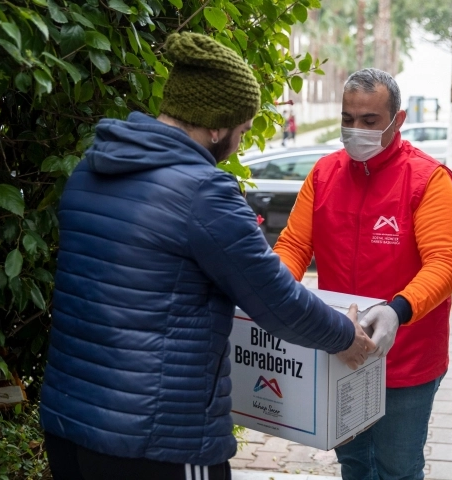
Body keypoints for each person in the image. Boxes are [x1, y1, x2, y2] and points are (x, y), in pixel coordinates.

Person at [39, 33, 375, 480]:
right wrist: (345, 335)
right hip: (159, 439)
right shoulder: (203, 191)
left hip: (70, 423)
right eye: (241, 128)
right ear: (215, 127)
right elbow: (275, 300)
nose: (240, 140)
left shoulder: (92, 167)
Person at [273, 68, 452, 480]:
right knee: (355, 464)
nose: (355, 130)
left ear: (399, 120)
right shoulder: (323, 175)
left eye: (370, 121)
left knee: (397, 468)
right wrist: (273, 291)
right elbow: (292, 246)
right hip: (342, 350)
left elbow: (445, 265)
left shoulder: (427, 180)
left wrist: (397, 311)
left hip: (406, 358)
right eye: (347, 119)